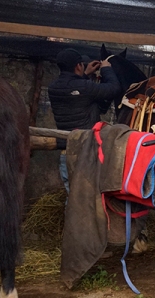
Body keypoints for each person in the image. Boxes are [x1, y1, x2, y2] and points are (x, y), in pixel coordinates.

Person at [48, 48, 121, 192]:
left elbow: (75, 89)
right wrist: (106, 69)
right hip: (87, 152)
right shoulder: (85, 87)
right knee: (91, 198)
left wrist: (86, 74)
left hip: (67, 151)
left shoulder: (53, 88)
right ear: (78, 66)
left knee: (73, 197)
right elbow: (113, 89)